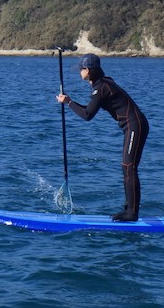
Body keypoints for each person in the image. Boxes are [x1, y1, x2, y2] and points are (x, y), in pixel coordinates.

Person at [56, 53, 150, 222]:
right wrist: (69, 101)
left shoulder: (102, 87)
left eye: (81, 69)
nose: (79, 72)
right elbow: (89, 109)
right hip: (133, 126)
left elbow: (87, 115)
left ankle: (132, 213)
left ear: (88, 70)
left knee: (129, 167)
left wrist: (68, 102)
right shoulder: (103, 84)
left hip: (135, 126)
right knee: (127, 167)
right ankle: (129, 210)